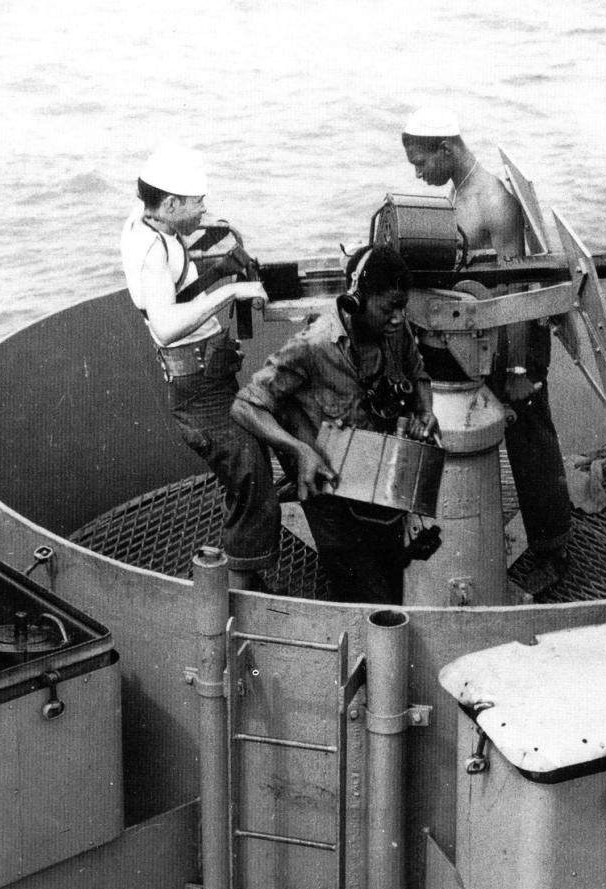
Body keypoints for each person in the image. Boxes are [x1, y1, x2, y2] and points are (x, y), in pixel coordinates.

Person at [401, 106, 572, 596]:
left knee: (531, 440)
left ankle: (554, 552)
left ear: (446, 149)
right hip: (485, 332)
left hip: (516, 335)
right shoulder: (460, 189)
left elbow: (517, 289)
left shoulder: (494, 199)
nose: (418, 174)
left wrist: (518, 368)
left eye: (421, 164)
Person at [231, 244, 438, 605]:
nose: (398, 318)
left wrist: (425, 411)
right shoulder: (312, 347)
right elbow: (246, 406)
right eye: (389, 308)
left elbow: (418, 373)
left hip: (378, 481)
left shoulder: (396, 331)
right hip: (330, 495)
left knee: (391, 580)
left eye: (402, 308)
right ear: (356, 299)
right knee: (364, 595)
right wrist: (300, 450)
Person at [120, 142, 279, 591]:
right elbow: (167, 325)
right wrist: (228, 293)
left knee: (247, 466)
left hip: (210, 376)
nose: (204, 210)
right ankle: (241, 590)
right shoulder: (152, 250)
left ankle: (246, 569)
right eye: (196, 203)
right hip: (198, 390)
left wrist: (219, 263)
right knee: (249, 473)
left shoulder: (149, 220)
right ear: (169, 204)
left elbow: (172, 291)